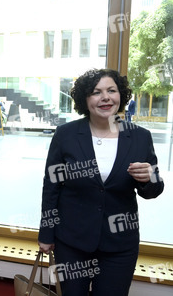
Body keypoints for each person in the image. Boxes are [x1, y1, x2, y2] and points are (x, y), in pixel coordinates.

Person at [38, 68, 164, 295]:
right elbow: (51, 187)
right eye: (96, 92)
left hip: (120, 244)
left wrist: (150, 177)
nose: (105, 97)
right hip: (71, 241)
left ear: (121, 96)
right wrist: (46, 234)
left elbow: (152, 190)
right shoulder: (65, 135)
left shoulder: (139, 136)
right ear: (85, 100)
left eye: (111, 91)